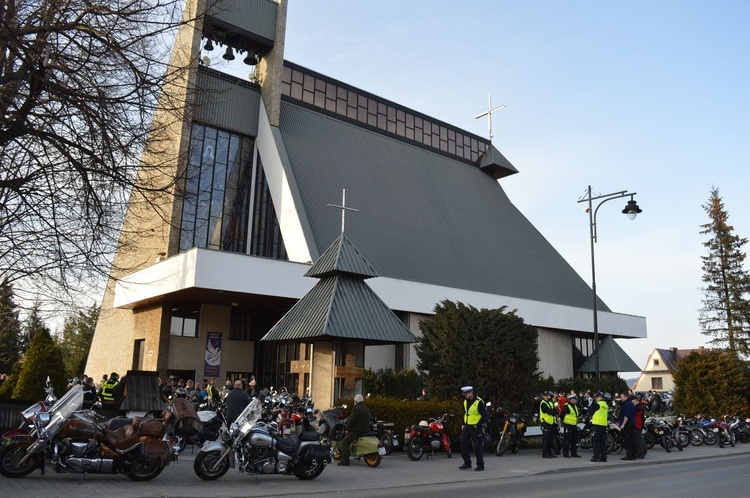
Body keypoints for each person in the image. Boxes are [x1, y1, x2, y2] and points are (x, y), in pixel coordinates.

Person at [459, 386, 487, 471]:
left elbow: (485, 415)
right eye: (465, 394)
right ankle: (467, 463)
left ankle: (480, 465)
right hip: (467, 426)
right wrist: (463, 423)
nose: (466, 396)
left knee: (477, 446)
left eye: (467, 394)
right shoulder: (465, 401)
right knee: (462, 444)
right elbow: (465, 413)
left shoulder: (479, 402)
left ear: (471, 392)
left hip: (475, 427)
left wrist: (478, 424)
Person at [338, 394, 371, 466]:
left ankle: (345, 460)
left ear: (355, 401)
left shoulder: (357, 408)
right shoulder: (365, 408)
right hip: (365, 429)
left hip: (357, 430)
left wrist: (347, 428)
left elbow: (352, 420)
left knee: (345, 441)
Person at [617, 393, 637, 460]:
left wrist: (623, 424)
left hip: (628, 424)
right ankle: (633, 455)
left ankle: (629, 456)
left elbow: (627, 415)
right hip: (632, 423)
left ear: (626, 397)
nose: (621, 398)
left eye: (622, 397)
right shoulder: (630, 404)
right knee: (631, 439)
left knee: (628, 440)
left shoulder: (627, 405)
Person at [590, 392, 609, 462]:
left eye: (596, 397)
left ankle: (596, 456)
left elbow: (591, 411)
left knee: (596, 441)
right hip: (603, 424)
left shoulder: (597, 404)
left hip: (597, 424)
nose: (595, 398)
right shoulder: (605, 405)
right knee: (603, 442)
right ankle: (604, 457)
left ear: (600, 397)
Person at [560, 393, 581, 457]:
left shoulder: (574, 406)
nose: (576, 400)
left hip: (574, 425)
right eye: (575, 399)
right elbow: (562, 415)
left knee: (574, 440)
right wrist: (564, 422)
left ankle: (574, 453)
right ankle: (566, 453)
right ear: (571, 400)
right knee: (567, 440)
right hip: (568, 425)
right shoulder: (567, 406)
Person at [539, 390, 557, 458]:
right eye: (545, 395)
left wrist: (554, 411)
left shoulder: (550, 402)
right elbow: (549, 412)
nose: (546, 397)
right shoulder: (543, 403)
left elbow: (554, 410)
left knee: (550, 439)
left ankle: (549, 452)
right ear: (543, 396)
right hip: (546, 423)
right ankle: (545, 453)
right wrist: (554, 411)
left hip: (551, 423)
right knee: (546, 439)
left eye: (547, 395)